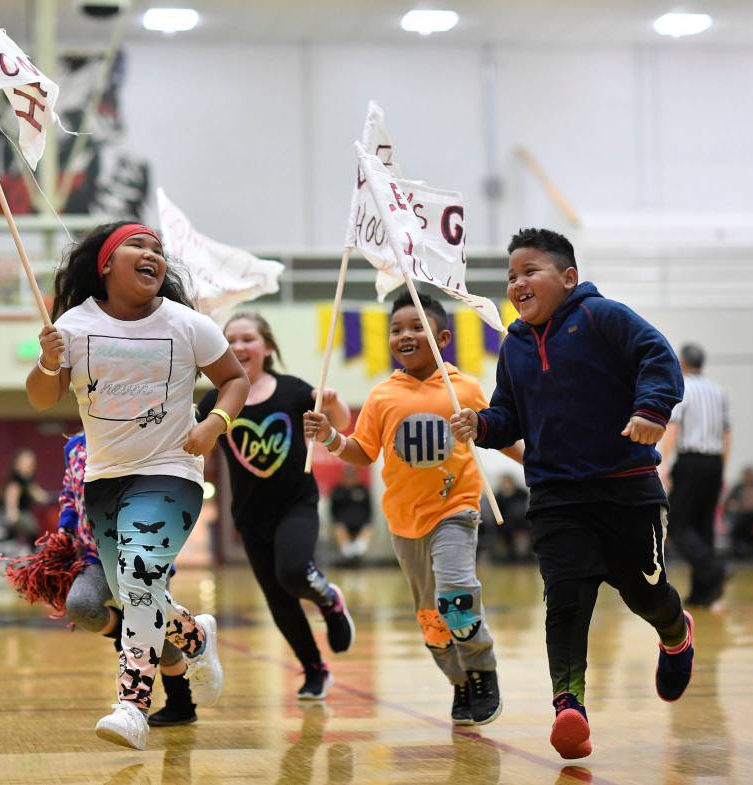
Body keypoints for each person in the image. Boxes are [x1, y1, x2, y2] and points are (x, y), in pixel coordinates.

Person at [450, 227, 693, 760]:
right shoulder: (513, 345)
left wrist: (650, 411)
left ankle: (676, 634)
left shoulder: (604, 317)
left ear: (568, 277)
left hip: (627, 489)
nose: (517, 283)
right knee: (566, 597)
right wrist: (482, 425)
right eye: (511, 276)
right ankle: (569, 706)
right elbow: (508, 413)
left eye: (529, 271)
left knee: (644, 594)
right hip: (556, 494)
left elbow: (659, 358)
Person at [26, 221, 249, 750]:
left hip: (171, 471)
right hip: (104, 483)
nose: (152, 254)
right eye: (137, 246)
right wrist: (47, 359)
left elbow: (234, 379)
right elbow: (41, 397)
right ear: (105, 264)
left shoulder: (188, 325)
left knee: (140, 579)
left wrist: (215, 423)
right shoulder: (74, 327)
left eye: (158, 250)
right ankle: (194, 634)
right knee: (134, 592)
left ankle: (131, 705)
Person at [304, 289, 518, 727]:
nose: (405, 334)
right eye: (396, 329)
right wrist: (328, 436)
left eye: (416, 326)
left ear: (441, 338)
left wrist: (537, 459)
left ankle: (483, 669)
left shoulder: (465, 388)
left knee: (454, 597)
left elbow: (496, 433)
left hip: (455, 510)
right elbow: (362, 451)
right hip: (404, 523)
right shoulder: (383, 396)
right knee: (432, 621)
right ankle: (459, 681)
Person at [196, 312, 356, 701]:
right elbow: (190, 436)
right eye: (230, 339)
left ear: (266, 347)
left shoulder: (293, 390)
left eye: (247, 338)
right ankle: (315, 668)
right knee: (279, 601)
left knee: (293, 572)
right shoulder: (216, 399)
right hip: (250, 517)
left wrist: (331, 407)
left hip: (296, 505)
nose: (238, 346)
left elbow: (342, 422)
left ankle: (329, 600)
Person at [57, 431, 198, 726]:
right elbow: (70, 494)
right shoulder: (74, 447)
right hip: (95, 556)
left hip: (144, 555)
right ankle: (129, 630)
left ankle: (181, 704)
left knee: (164, 639)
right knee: (81, 604)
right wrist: (65, 529)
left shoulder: (139, 435)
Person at [658, 343, 730, 606]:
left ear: (681, 362)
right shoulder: (718, 391)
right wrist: (722, 466)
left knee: (678, 525)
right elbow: (726, 433)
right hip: (714, 462)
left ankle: (714, 569)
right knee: (704, 526)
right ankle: (703, 593)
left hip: (690, 462)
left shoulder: (682, 387)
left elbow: (673, 427)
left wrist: (665, 463)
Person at [329, 466, 374, 564]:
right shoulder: (337, 490)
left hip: (361, 523)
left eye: (352, 476)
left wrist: (368, 522)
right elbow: (333, 510)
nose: (350, 479)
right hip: (343, 523)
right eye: (347, 477)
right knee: (339, 529)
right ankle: (348, 553)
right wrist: (336, 522)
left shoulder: (363, 489)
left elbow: (369, 508)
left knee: (368, 529)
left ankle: (357, 551)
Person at [725, 466, 753, 559]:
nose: (749, 477)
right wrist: (730, 509)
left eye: (750, 475)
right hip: (743, 515)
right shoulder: (738, 487)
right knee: (737, 527)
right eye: (747, 475)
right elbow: (728, 502)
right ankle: (738, 551)